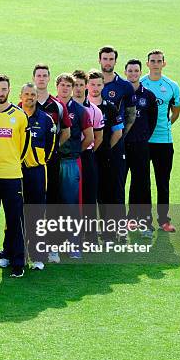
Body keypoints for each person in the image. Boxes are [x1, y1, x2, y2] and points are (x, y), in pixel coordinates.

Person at [0, 74, 30, 278]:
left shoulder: (20, 115)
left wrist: (11, 162)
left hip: (12, 175)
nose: (1, 93)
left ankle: (18, 262)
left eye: (4, 89)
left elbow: (23, 146)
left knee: (15, 221)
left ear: (9, 90)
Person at [140, 49, 180, 233]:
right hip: (143, 141)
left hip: (164, 141)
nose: (155, 64)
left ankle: (164, 220)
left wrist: (165, 125)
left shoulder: (172, 86)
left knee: (163, 182)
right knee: (143, 182)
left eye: (159, 61)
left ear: (164, 63)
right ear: (147, 63)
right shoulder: (140, 83)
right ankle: (144, 219)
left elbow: (176, 112)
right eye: (152, 61)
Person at [56, 73, 94, 257]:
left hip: (71, 162)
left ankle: (74, 244)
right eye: (62, 85)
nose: (65, 88)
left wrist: (76, 151)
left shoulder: (80, 111)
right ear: (57, 87)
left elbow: (90, 138)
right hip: (52, 162)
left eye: (68, 86)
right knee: (52, 203)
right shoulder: (50, 107)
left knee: (71, 204)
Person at [19, 82, 55, 271]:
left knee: (37, 213)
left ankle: (37, 255)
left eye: (33, 94)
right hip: (16, 171)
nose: (30, 97)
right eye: (27, 94)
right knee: (15, 213)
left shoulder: (46, 119)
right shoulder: (14, 116)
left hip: (37, 171)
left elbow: (50, 147)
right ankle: (12, 254)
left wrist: (37, 161)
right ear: (21, 96)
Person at [87, 70, 124, 241]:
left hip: (106, 158)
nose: (95, 88)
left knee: (108, 194)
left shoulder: (109, 107)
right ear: (87, 85)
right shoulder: (83, 107)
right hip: (88, 156)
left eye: (98, 85)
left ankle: (110, 232)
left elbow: (118, 132)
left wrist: (107, 148)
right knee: (90, 196)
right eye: (92, 84)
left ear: (103, 86)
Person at [124, 59, 158, 237]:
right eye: (130, 71)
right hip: (121, 147)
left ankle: (144, 223)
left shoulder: (149, 96)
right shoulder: (121, 94)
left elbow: (152, 121)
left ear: (140, 72)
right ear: (125, 73)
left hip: (141, 146)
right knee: (117, 185)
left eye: (136, 71)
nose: (133, 74)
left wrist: (143, 137)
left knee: (142, 185)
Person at [99, 46, 135, 210]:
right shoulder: (90, 83)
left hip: (116, 143)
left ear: (115, 61)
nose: (108, 62)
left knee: (117, 186)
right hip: (95, 142)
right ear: (99, 60)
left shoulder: (124, 86)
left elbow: (130, 116)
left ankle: (118, 230)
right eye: (105, 59)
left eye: (111, 59)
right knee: (97, 186)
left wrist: (120, 135)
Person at [32, 64, 71, 207]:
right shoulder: (24, 104)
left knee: (52, 194)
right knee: (31, 195)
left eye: (44, 76)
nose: (41, 79)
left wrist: (54, 147)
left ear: (49, 78)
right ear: (33, 78)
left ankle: (51, 228)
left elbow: (66, 132)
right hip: (30, 160)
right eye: (38, 76)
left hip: (51, 159)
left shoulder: (58, 105)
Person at [73, 70, 103, 244]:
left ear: (86, 86)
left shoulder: (95, 111)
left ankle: (90, 237)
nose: (78, 89)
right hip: (69, 159)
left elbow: (98, 138)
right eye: (74, 85)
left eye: (80, 85)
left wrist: (85, 151)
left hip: (87, 156)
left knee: (89, 198)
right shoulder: (64, 108)